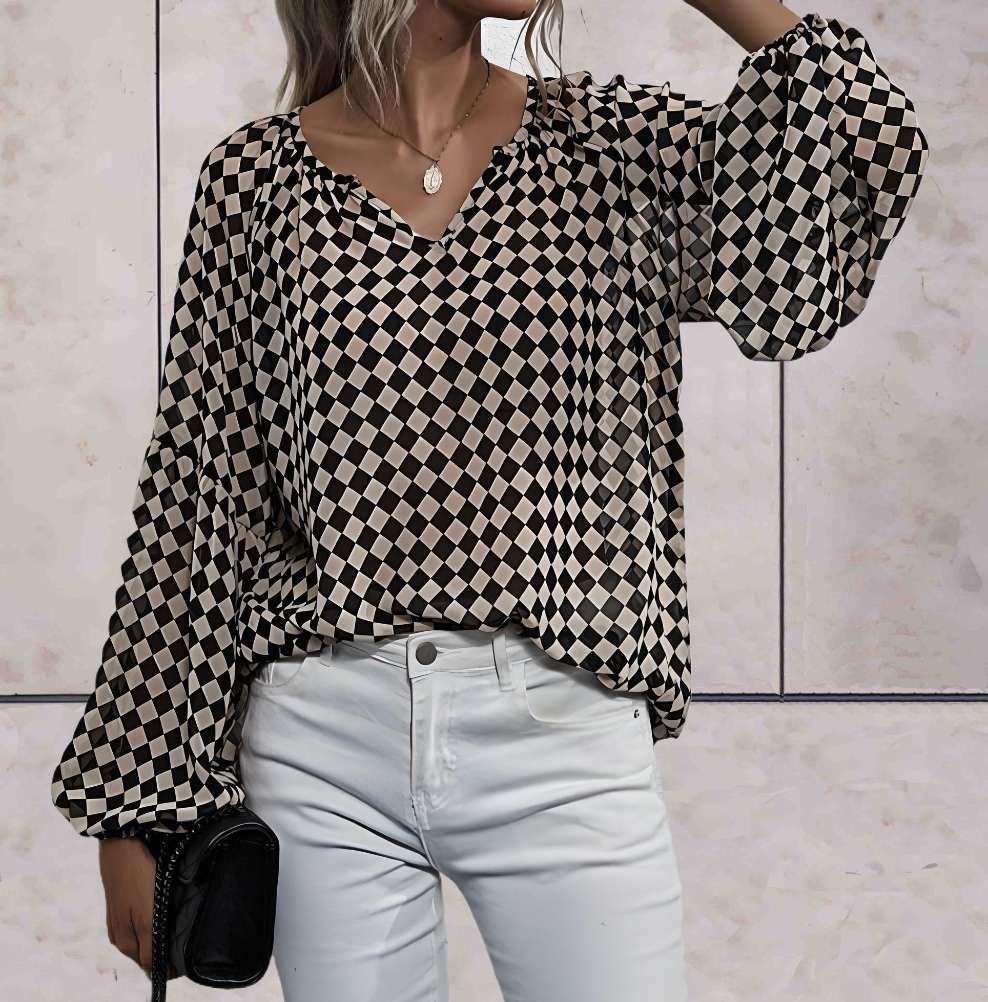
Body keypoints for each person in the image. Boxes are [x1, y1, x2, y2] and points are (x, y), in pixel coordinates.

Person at [50, 1, 929, 999]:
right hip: (320, 740)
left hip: (562, 733)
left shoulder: (613, 149)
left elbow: (824, 234)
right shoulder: (257, 184)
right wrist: (138, 800)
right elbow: (197, 495)